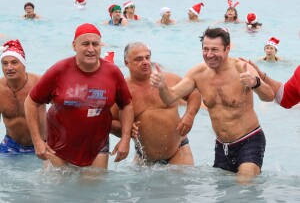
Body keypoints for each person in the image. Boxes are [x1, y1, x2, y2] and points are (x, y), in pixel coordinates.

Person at [150, 27, 274, 177]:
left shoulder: (241, 68)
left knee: (244, 182)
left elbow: (269, 96)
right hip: (222, 146)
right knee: (223, 191)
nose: (209, 55)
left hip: (249, 140)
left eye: (215, 49)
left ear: (227, 48)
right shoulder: (198, 73)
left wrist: (255, 83)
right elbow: (170, 97)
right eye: (205, 49)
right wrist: (162, 86)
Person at [24, 23, 134, 169]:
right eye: (85, 44)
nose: (91, 49)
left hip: (97, 147)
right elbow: (31, 102)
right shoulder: (59, 70)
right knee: (55, 191)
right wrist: (37, 140)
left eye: (95, 44)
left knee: (94, 191)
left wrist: (125, 139)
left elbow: (126, 105)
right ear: (74, 45)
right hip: (57, 147)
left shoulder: (112, 73)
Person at [111, 42, 201, 165]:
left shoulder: (169, 79)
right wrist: (125, 130)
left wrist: (189, 115)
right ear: (127, 63)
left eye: (147, 57)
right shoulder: (123, 90)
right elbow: (108, 121)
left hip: (178, 151)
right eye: (138, 59)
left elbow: (194, 93)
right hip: (144, 157)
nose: (145, 62)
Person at [0, 39, 46, 154]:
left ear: (23, 65)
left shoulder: (39, 83)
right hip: (11, 145)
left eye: (14, 62)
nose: (9, 67)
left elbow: (62, 108)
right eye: (4, 63)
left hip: (42, 143)